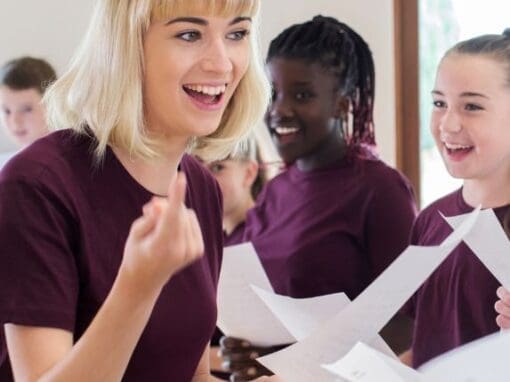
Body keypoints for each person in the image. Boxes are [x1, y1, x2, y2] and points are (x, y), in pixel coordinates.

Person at [0, 0, 275, 381]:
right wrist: (138, 286)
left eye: (237, 34)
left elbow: (190, 377)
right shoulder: (38, 184)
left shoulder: (200, 187)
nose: (222, 63)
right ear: (127, 49)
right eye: (189, 34)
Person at [220, 15, 417, 381]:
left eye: (302, 95)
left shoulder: (380, 189)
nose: (279, 110)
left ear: (342, 105)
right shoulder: (276, 190)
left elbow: (407, 321)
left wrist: (305, 370)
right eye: (273, 93)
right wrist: (246, 350)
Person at [401, 28, 510, 368]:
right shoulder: (430, 221)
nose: (447, 124)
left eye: (472, 106)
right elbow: (425, 348)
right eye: (439, 103)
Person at [0, 56, 56, 166]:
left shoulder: (71, 165)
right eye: (6, 111)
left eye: (26, 109)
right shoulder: (6, 166)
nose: (15, 122)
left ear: (52, 104)